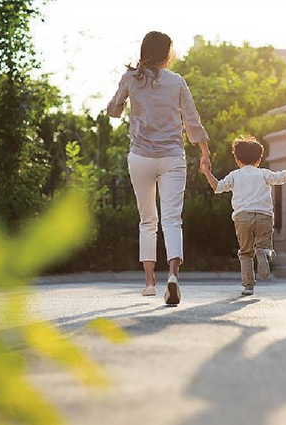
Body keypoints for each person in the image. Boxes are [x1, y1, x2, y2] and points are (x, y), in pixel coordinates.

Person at [107, 31, 211, 306]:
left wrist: (120, 99)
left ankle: (150, 282)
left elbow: (114, 111)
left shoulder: (131, 78)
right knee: (172, 219)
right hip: (172, 157)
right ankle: (173, 276)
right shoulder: (176, 81)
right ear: (166, 54)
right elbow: (192, 120)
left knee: (147, 220)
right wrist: (204, 153)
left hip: (140, 157)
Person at [200, 136, 286, 295]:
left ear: (237, 160)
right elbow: (283, 176)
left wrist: (206, 171)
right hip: (264, 216)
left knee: (245, 253)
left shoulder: (234, 175)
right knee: (264, 246)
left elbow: (217, 187)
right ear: (259, 160)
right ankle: (265, 252)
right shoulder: (264, 174)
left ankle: (248, 286)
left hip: (242, 217)